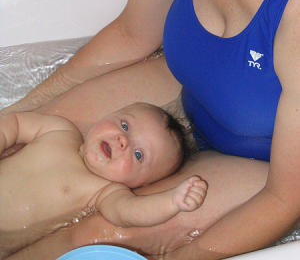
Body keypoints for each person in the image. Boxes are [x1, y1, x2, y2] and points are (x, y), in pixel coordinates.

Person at [2, 0, 300, 258]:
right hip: (190, 93)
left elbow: (284, 199)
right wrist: (21, 108)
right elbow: (131, 35)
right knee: (37, 143)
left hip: (265, 169)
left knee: (97, 233)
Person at [0, 102, 207, 259]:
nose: (123, 140)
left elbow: (130, 212)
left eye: (138, 155)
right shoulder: (59, 130)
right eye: (125, 125)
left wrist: (171, 202)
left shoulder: (105, 192)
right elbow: (15, 124)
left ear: (140, 184)